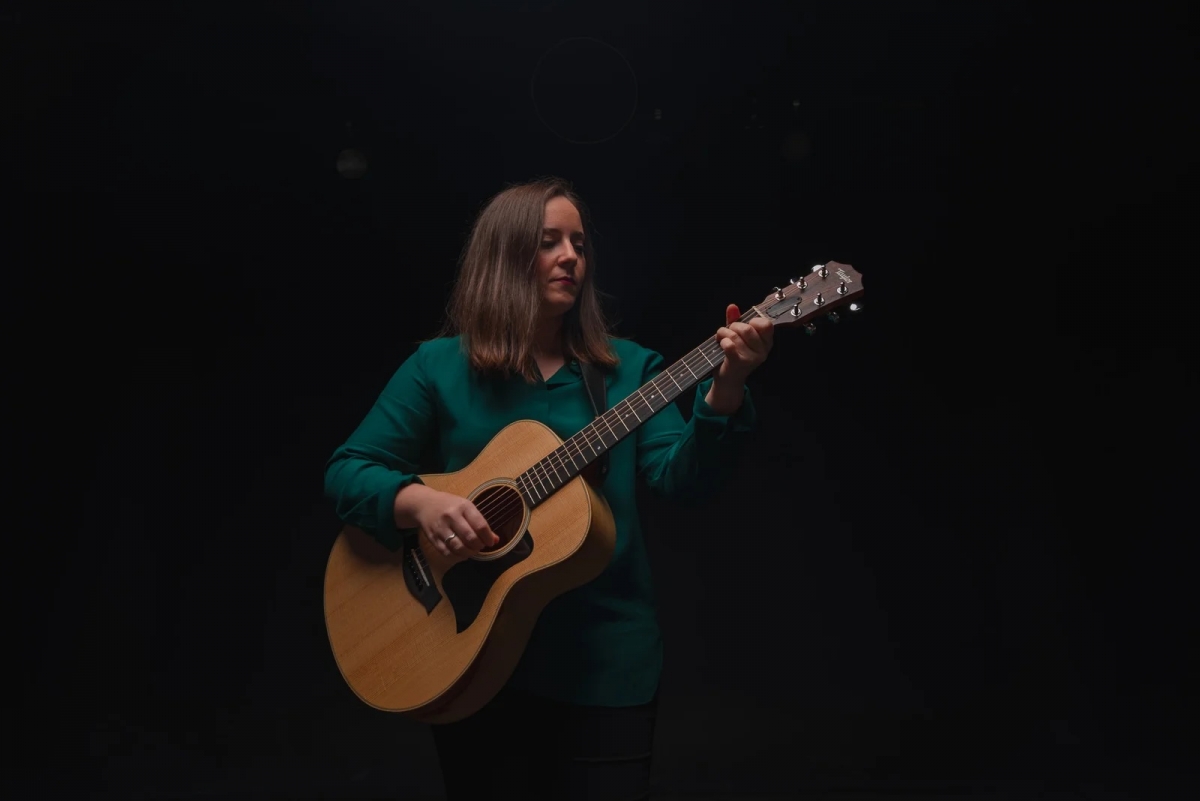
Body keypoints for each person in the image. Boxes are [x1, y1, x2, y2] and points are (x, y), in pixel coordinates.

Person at [323, 176, 773, 800]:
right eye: (549, 242)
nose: (571, 258)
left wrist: (727, 385)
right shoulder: (438, 366)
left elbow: (684, 481)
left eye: (580, 245)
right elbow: (349, 469)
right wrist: (419, 503)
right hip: (467, 652)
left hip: (604, 662)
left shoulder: (629, 370)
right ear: (504, 255)